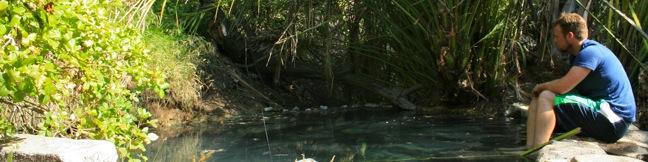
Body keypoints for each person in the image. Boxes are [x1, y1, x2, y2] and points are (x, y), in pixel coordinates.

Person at [526, 13, 636, 148]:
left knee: (545, 96)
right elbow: (569, 90)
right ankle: (529, 148)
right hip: (602, 113)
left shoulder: (590, 53)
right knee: (538, 98)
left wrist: (541, 86)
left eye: (556, 36)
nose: (554, 40)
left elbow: (563, 87)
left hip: (613, 120)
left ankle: (538, 149)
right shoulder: (578, 55)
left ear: (570, 36)